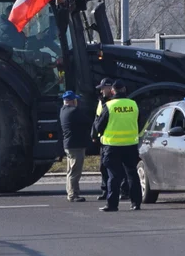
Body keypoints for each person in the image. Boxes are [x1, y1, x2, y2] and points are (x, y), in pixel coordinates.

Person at [93, 80, 142, 212]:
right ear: (124, 89)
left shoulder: (109, 105)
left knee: (114, 176)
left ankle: (112, 204)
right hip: (130, 144)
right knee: (132, 174)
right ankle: (136, 203)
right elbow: (139, 122)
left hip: (112, 145)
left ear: (113, 90)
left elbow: (99, 126)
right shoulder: (133, 104)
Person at [59, 91, 88, 202]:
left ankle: (72, 192)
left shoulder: (62, 111)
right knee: (75, 171)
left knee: (70, 170)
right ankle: (72, 194)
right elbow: (87, 121)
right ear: (71, 101)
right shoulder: (74, 111)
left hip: (68, 144)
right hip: (76, 145)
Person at [92, 78, 115, 200]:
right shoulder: (101, 102)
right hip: (105, 140)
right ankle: (105, 190)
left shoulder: (115, 102)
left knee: (116, 168)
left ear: (110, 88)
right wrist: (94, 134)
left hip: (115, 140)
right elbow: (97, 119)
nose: (101, 91)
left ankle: (122, 190)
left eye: (103, 88)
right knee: (103, 167)